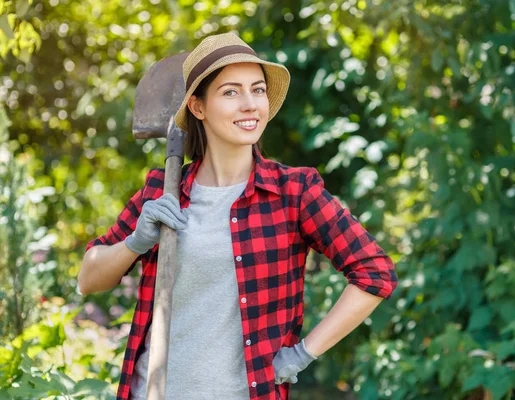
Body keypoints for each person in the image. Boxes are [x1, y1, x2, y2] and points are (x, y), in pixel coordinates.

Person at [78, 32, 398, 400]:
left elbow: (375, 272)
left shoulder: (292, 192)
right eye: (231, 92)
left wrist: (303, 353)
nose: (249, 104)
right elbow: (89, 278)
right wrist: (134, 242)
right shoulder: (162, 191)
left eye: (257, 90)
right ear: (198, 107)